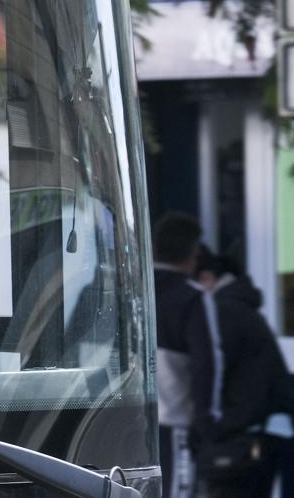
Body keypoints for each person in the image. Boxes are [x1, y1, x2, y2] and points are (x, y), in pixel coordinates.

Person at [192, 247, 293, 497]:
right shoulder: (239, 307)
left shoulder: (221, 311)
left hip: (249, 435)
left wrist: (211, 428)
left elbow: (214, 374)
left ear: (206, 279)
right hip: (266, 430)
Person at [152, 212, 212, 498]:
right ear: (193, 253)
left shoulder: (131, 290)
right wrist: (205, 422)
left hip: (125, 418)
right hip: (174, 421)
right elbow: (207, 366)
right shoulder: (191, 297)